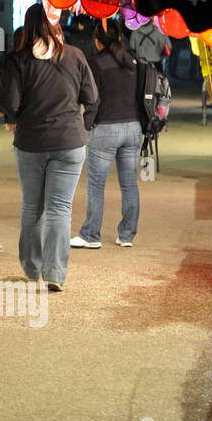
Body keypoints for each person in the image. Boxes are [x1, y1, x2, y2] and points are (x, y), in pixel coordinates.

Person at [0, 4, 99, 293]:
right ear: (54, 24)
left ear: (28, 26)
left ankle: (33, 269)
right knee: (60, 209)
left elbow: (10, 105)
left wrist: (21, 117)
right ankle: (55, 273)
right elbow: (91, 96)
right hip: (69, 141)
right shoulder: (75, 56)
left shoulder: (18, 61)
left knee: (32, 206)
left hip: (31, 142)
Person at [73, 20, 141, 249]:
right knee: (129, 184)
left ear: (96, 41)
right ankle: (127, 235)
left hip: (106, 128)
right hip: (133, 128)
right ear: (119, 38)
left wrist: (88, 124)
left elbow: (91, 98)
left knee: (96, 184)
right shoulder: (132, 61)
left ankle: (91, 235)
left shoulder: (95, 63)